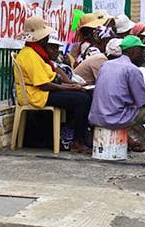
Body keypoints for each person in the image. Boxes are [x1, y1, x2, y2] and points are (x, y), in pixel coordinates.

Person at [89, 35, 145, 160]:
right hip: (116, 117)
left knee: (136, 108)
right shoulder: (132, 69)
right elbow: (142, 101)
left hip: (97, 116)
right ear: (133, 51)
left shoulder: (106, 65)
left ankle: (137, 140)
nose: (143, 55)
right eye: (141, 51)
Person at [16, 16, 92, 152]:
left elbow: (51, 75)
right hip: (37, 95)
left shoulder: (36, 53)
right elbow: (43, 85)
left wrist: (71, 86)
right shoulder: (30, 55)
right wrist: (68, 88)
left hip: (43, 91)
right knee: (81, 100)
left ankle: (75, 136)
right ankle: (77, 141)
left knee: (82, 94)